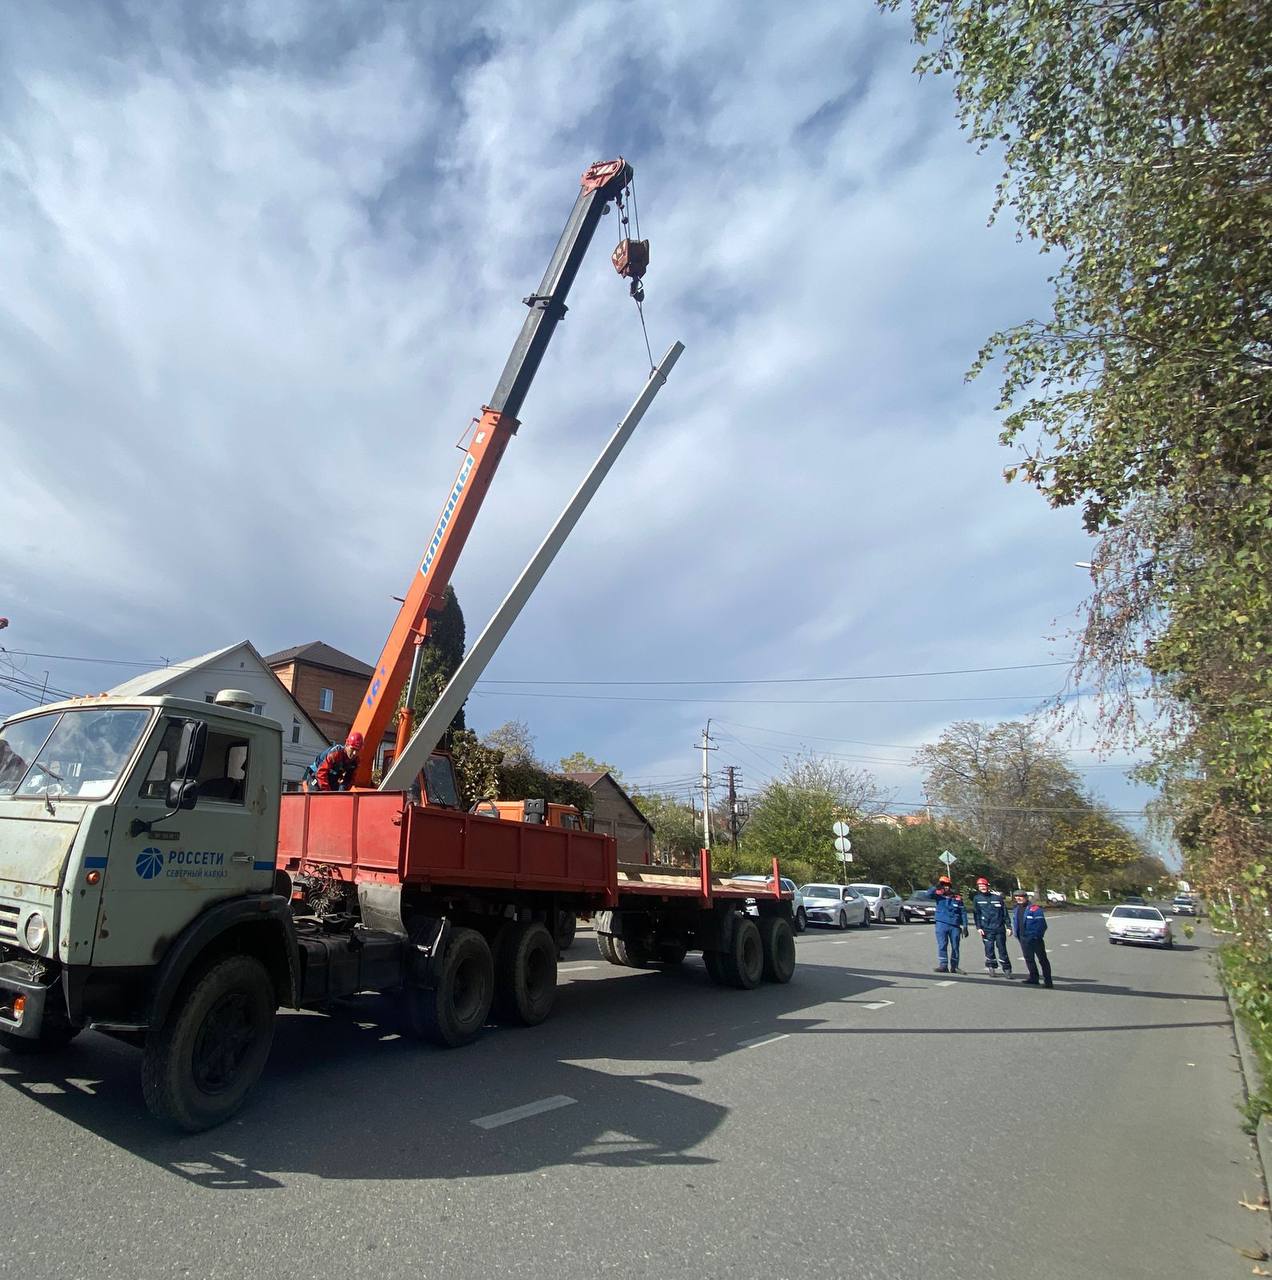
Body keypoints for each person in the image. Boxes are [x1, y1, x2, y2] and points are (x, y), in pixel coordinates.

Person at [927, 875, 969, 973]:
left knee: (955, 946)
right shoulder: (938, 895)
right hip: (941, 924)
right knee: (942, 945)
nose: (945, 887)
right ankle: (943, 965)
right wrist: (936, 886)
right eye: (943, 885)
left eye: (947, 885)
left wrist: (965, 926)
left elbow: (963, 912)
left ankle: (955, 967)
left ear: (950, 886)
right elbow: (928, 894)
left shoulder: (957, 898)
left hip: (954, 926)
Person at [972, 875, 1012, 977]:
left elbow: (1005, 913)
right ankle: (991, 967)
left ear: (987, 886)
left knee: (1002, 949)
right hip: (986, 929)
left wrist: (1008, 927)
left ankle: (1007, 969)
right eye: (980, 886)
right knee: (989, 949)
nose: (982, 887)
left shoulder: (997, 898)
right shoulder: (977, 899)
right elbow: (976, 914)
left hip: (999, 928)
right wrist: (979, 927)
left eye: (984, 885)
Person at [1012, 889, 1052, 987]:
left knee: (1042, 959)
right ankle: (1034, 978)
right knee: (1029, 959)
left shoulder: (1035, 909)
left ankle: (1048, 981)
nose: (1018, 898)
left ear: (1026, 897)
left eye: (1020, 896)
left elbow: (1042, 925)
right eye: (1016, 897)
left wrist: (1036, 936)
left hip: (1035, 938)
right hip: (1023, 938)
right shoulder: (1016, 909)